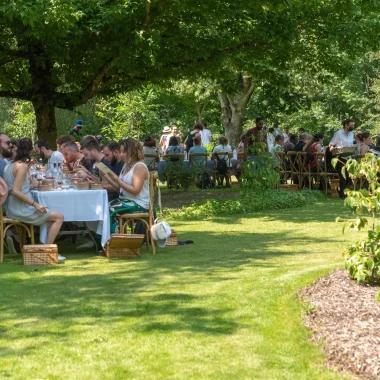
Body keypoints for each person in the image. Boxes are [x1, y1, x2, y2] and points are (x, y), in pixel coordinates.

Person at [3, 138, 64, 258]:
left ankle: (43, 246)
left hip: (11, 207)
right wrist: (35, 204)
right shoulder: (22, 166)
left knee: (48, 213)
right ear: (28, 152)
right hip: (20, 209)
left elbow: (16, 187)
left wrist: (29, 181)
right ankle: (47, 251)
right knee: (59, 217)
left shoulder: (9, 165)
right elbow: (15, 191)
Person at [104, 138, 150, 234]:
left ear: (132, 152)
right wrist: (108, 177)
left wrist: (118, 180)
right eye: (120, 151)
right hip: (126, 200)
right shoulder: (127, 165)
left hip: (138, 203)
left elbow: (135, 190)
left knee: (110, 210)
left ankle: (114, 241)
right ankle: (104, 240)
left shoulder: (139, 167)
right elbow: (118, 188)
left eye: (123, 152)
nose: (121, 155)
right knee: (103, 206)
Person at [329, 119, 356, 199]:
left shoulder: (351, 134)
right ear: (346, 125)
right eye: (350, 125)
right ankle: (342, 195)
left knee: (350, 176)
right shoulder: (338, 133)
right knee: (343, 176)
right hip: (339, 157)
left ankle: (341, 190)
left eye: (353, 125)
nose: (352, 127)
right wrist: (331, 148)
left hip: (349, 157)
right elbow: (331, 144)